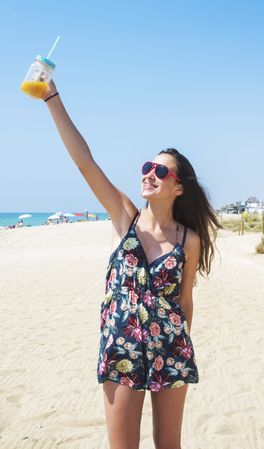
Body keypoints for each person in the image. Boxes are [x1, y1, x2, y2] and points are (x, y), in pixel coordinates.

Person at [39, 80, 223, 449]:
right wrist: (51, 99)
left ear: (179, 187)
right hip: (121, 345)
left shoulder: (189, 240)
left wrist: (178, 343)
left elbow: (185, 301)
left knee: (168, 444)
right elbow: (84, 162)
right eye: (147, 166)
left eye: (160, 171)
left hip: (170, 348)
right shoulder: (125, 217)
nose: (149, 174)